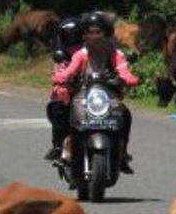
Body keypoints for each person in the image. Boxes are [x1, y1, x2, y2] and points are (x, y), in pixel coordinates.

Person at [52, 11, 140, 173]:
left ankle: (122, 153)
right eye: (90, 32)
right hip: (83, 95)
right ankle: (66, 149)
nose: (94, 36)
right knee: (67, 114)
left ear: (106, 33)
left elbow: (123, 70)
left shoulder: (115, 54)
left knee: (125, 115)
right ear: (84, 35)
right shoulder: (81, 55)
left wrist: (129, 78)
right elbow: (70, 70)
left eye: (98, 32)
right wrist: (60, 77)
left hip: (108, 96)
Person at [43, 16, 83, 161]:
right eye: (68, 37)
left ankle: (120, 151)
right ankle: (58, 145)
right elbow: (59, 72)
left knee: (119, 111)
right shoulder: (61, 54)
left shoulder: (90, 50)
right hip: (69, 89)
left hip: (91, 89)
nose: (72, 40)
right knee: (57, 106)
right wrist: (61, 83)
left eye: (75, 36)